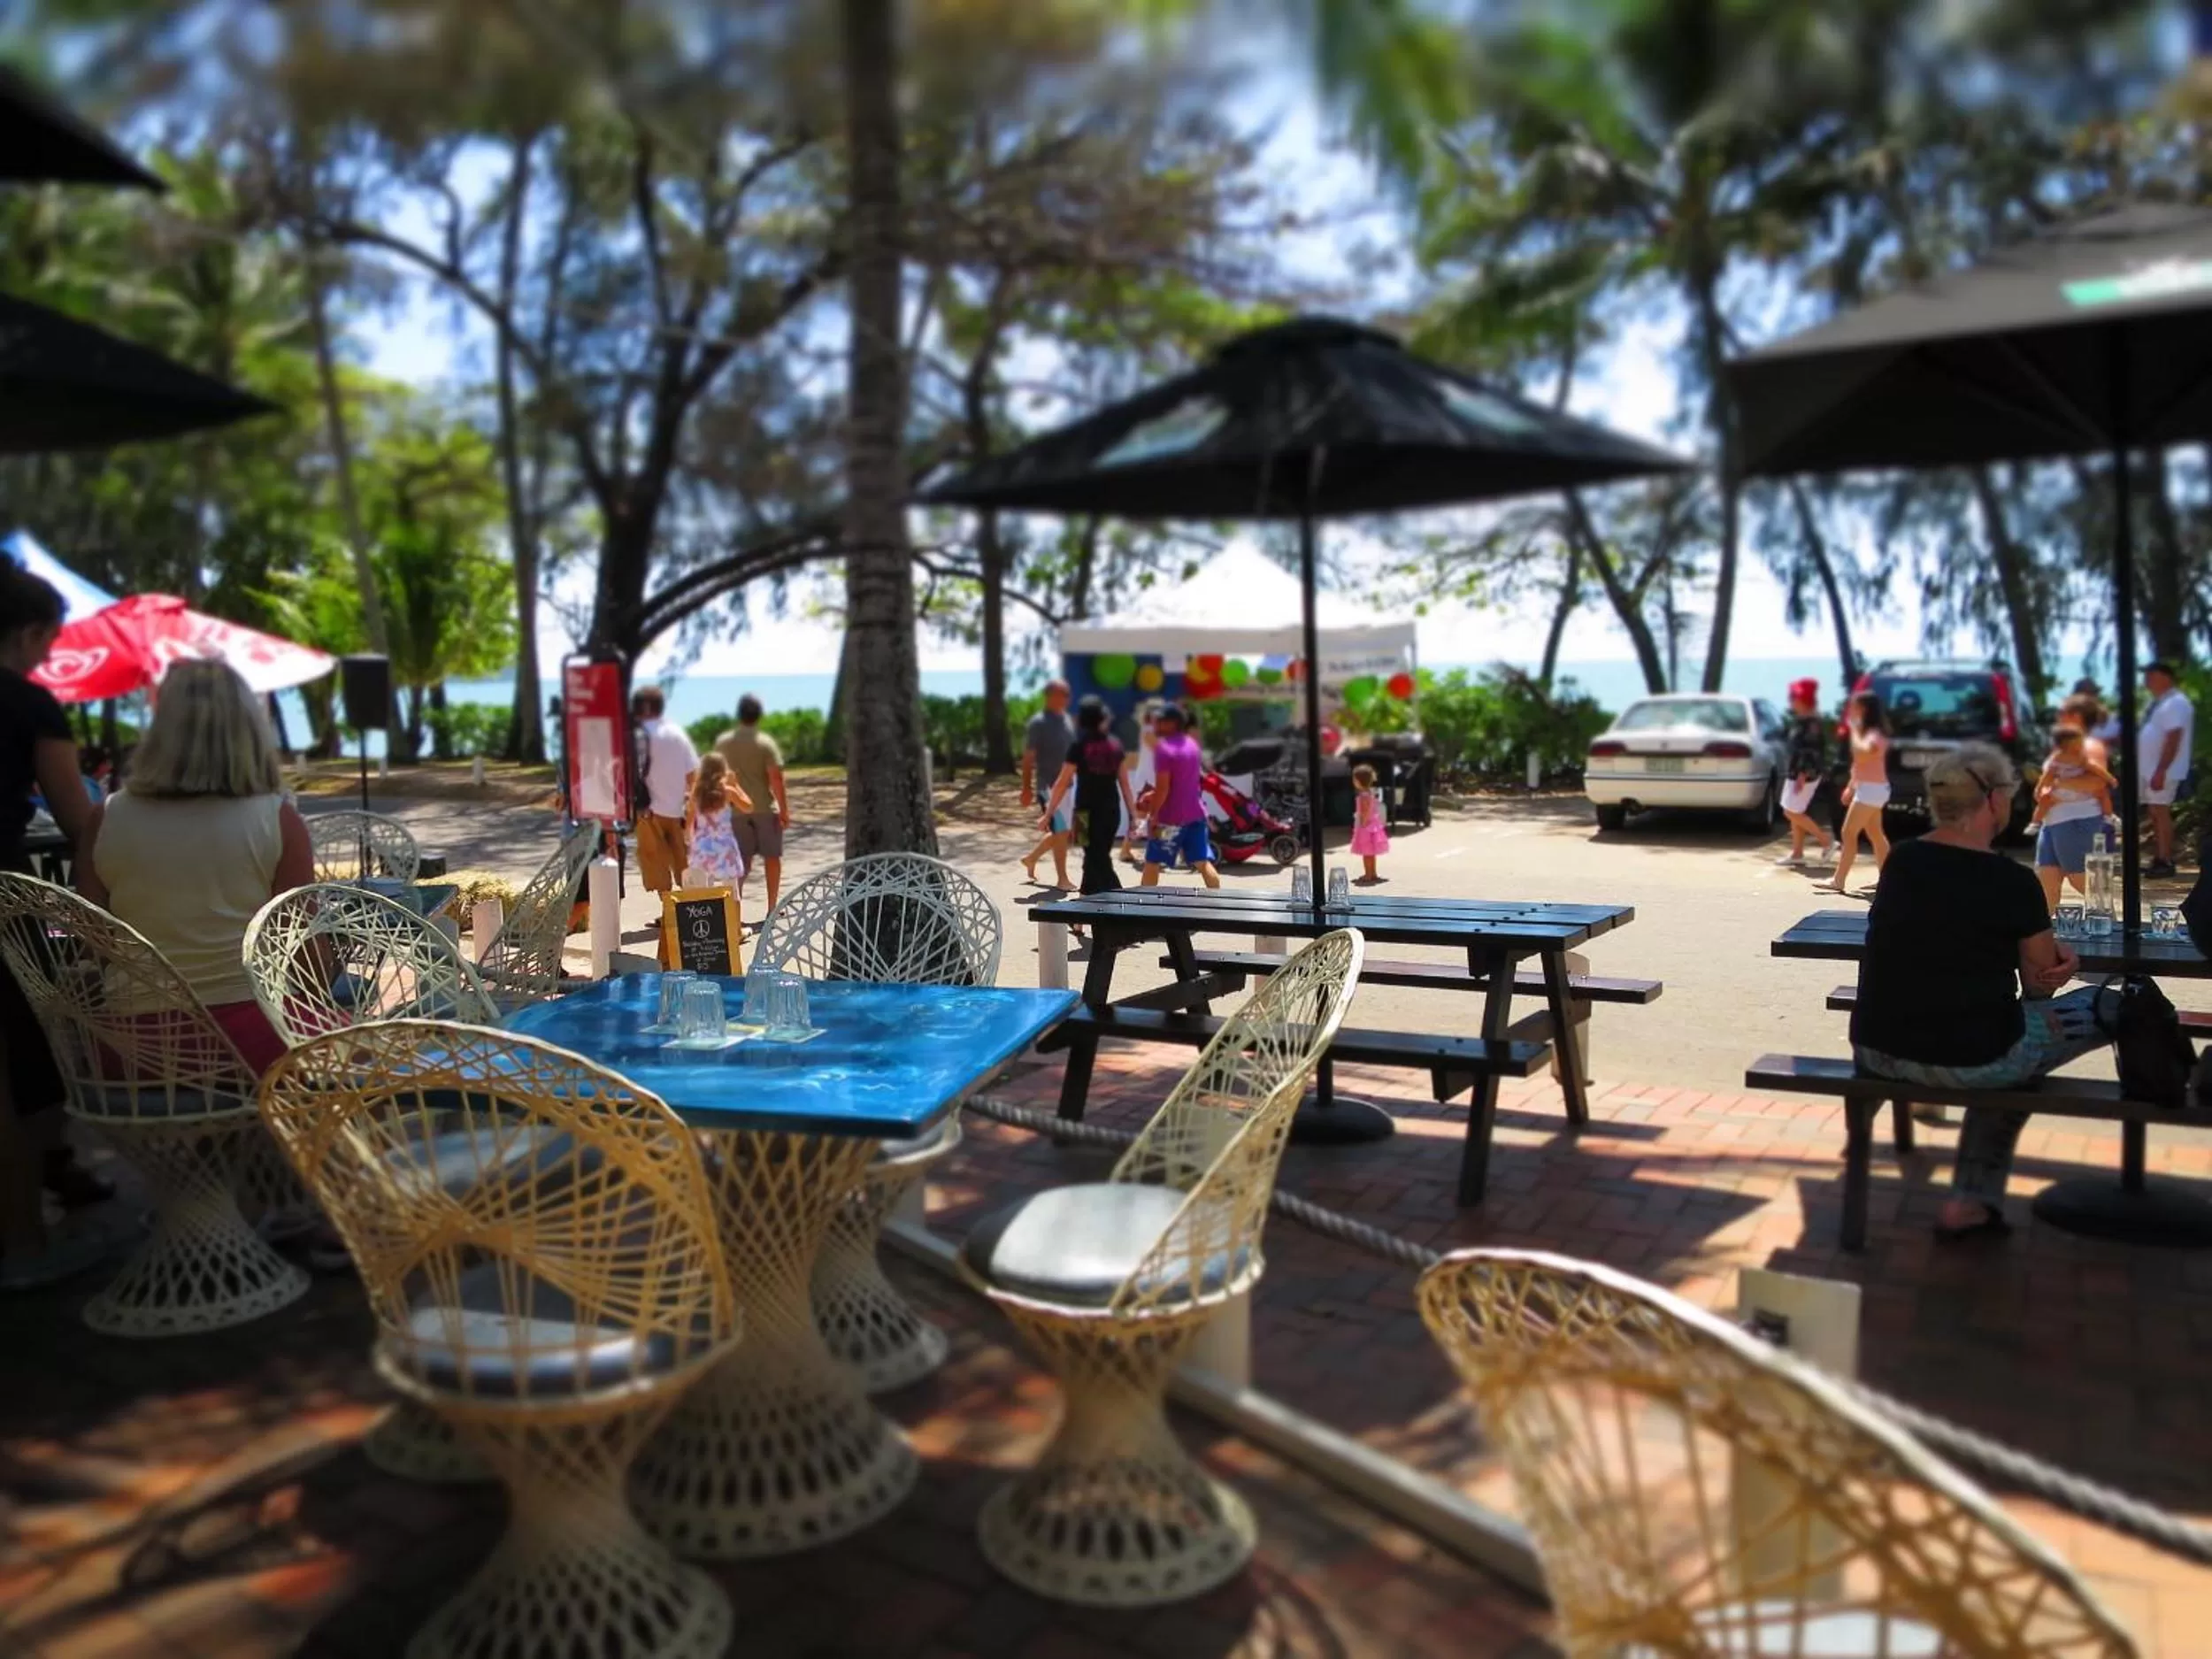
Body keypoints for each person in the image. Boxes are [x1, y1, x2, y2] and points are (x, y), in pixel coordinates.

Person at [1850, 745, 2113, 1240]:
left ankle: (1968, 1201)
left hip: (1878, 1049)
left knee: (2001, 1039)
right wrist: (2059, 959)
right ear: (1992, 800)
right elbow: (2039, 983)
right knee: (2116, 1004)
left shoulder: (1902, 861)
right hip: (1973, 1058)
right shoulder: (2013, 881)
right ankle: (1970, 1201)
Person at [80, 659, 316, 1078]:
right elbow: (306, 959)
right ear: (247, 731)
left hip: (132, 1052)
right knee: (373, 1059)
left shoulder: (105, 818)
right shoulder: (277, 820)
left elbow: (90, 944)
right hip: (253, 1045)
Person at [0, 570, 108, 1286]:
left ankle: (52, 1178)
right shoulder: (28, 703)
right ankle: (24, 1244)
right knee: (23, 1059)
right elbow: (79, 818)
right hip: (4, 891)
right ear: (33, 632)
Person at [1041, 696, 1134, 897]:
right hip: (1111, 812)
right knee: (1094, 858)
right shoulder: (1115, 746)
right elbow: (1125, 785)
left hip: (1083, 814)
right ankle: (1084, 904)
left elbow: (1061, 782)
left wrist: (1048, 813)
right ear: (1102, 718)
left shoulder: (1078, 746)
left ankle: (1121, 902)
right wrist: (1133, 815)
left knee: (1096, 859)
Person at [714, 695, 791, 913]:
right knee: (772, 858)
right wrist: (784, 810)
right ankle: (772, 906)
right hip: (764, 807)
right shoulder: (765, 743)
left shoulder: (723, 743)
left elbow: (717, 774)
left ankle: (734, 909)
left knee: (741, 861)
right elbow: (776, 778)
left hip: (736, 809)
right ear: (759, 715)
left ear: (739, 714)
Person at [2029, 717, 2116, 910]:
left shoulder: (2089, 748)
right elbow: (2041, 788)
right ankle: (2047, 929)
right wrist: (2043, 794)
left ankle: (2106, 922)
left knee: (2082, 880)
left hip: (2077, 820)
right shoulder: (2058, 752)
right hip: (2051, 821)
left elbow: (2098, 783)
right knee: (2047, 882)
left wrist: (2057, 785)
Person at [1139, 703, 1220, 889]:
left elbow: (1164, 789)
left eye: (1160, 721)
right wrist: (1154, 793)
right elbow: (1183, 783)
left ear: (1172, 723)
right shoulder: (1192, 745)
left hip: (1169, 820)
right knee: (1202, 862)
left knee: (1152, 863)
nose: (1155, 725)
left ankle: (1143, 904)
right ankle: (1217, 901)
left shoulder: (1163, 750)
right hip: (1196, 814)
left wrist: (1153, 815)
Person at [630, 686, 696, 897]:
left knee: (656, 864)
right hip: (677, 810)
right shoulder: (677, 733)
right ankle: (689, 907)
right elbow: (693, 775)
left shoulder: (637, 736)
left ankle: (668, 909)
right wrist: (692, 807)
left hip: (648, 811)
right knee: (682, 863)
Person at [1825, 692, 1892, 895]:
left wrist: (1853, 729)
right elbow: (1859, 764)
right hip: (1870, 789)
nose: (1851, 711)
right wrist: (1852, 786)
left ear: (1864, 710)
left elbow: (1863, 754)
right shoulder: (1868, 732)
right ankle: (1886, 879)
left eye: (1855, 707)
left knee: (1848, 833)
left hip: (1871, 791)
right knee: (1875, 834)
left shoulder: (1874, 735)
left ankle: (1838, 880)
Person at [2140, 661, 2195, 878]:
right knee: (2155, 812)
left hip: (2163, 770)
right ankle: (2159, 857)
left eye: (2151, 675)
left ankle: (2165, 860)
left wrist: (2161, 769)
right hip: (2153, 769)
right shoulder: (2162, 703)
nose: (2147, 680)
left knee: (2161, 811)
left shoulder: (2176, 702)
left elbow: (2174, 737)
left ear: (2165, 677)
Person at [1019, 680, 1075, 888]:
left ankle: (1031, 858)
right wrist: (1026, 788)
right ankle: (1062, 879)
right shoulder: (1039, 723)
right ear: (1050, 696)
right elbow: (1028, 757)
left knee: (1064, 832)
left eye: (1068, 695)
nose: (1067, 699)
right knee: (1060, 830)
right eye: (1063, 694)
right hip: (1048, 786)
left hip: (1070, 785)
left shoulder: (1067, 720)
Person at [1778, 677, 1836, 868]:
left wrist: (1803, 774)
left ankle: (1826, 841)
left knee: (1791, 811)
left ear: (1803, 700)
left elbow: (1811, 750)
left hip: (1804, 773)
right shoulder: (1803, 720)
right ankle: (1797, 853)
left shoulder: (1811, 723)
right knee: (1796, 811)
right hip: (1796, 771)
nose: (1791, 701)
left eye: (1793, 697)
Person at [686, 752, 752, 895]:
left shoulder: (696, 794)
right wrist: (736, 785)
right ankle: (733, 910)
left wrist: (691, 843)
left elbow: (690, 823)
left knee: (704, 893)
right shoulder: (728, 792)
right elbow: (748, 807)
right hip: (725, 846)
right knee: (732, 891)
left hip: (702, 846)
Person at [1120, 707, 1158, 866]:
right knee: (1141, 816)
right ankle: (1125, 849)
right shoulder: (1149, 730)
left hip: (1156, 779)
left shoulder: (1156, 731)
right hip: (1148, 781)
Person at [1348, 762, 1390, 884]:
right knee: (1371, 853)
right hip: (1373, 825)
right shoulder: (1370, 793)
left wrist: (1363, 823)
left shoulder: (1363, 796)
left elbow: (1365, 811)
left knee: (1366, 853)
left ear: (1359, 781)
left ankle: (1368, 874)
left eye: (1354, 779)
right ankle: (1373, 873)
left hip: (1366, 827)